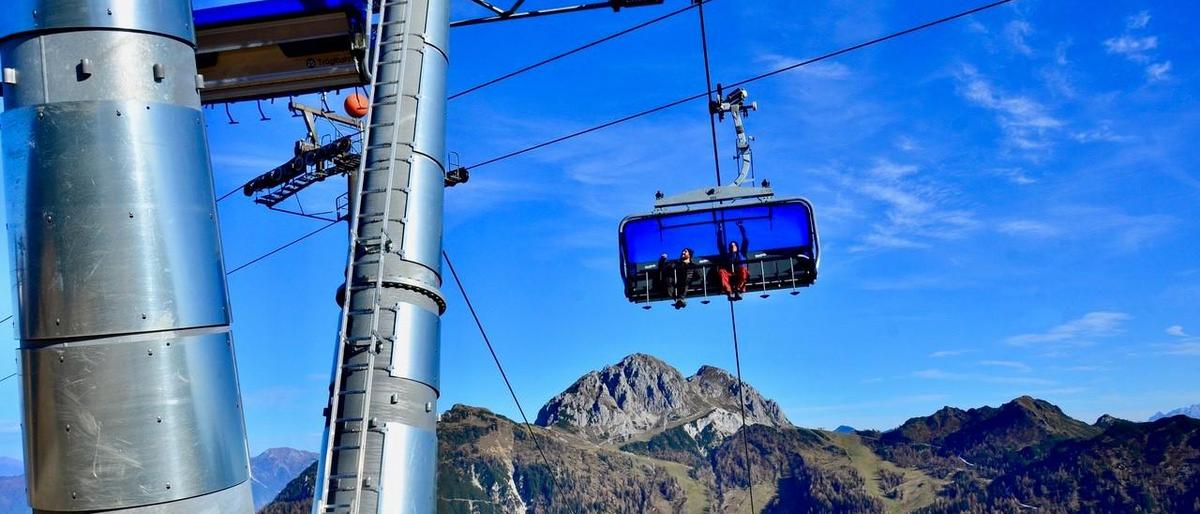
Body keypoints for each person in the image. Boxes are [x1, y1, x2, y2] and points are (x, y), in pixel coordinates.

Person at [719, 222, 750, 301]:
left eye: (734, 245)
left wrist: (741, 226)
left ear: (737, 246)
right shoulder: (727, 256)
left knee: (743, 270)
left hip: (740, 272)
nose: (732, 246)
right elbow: (720, 244)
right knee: (722, 271)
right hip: (730, 273)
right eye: (731, 245)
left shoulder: (742, 253)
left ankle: (740, 290)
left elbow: (746, 240)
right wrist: (720, 230)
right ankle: (729, 291)